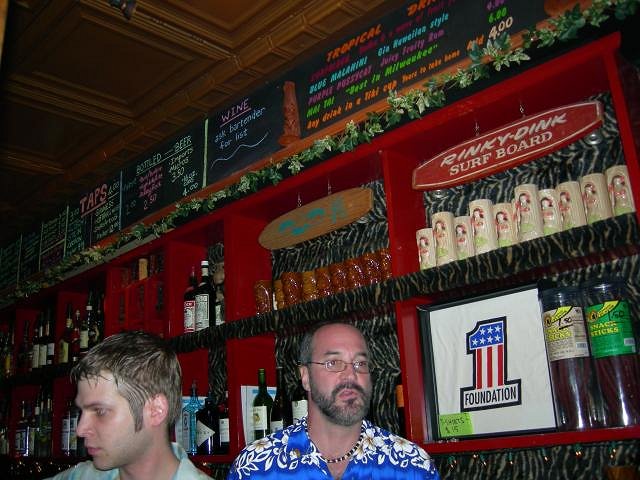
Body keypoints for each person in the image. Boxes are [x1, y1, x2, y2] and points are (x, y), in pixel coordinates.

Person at [227, 322, 440, 479]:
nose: (351, 375)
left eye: (360, 363)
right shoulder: (256, 467)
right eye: (333, 363)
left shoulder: (411, 465)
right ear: (305, 377)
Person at [47, 331, 212, 480]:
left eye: (100, 411)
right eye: (82, 411)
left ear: (155, 410)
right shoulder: (83, 476)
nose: (80, 430)